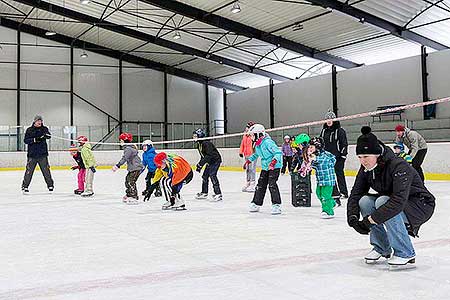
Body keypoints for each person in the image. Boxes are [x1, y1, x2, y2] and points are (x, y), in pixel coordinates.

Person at [347, 126, 435, 267]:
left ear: (377, 155)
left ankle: (405, 252)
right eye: (359, 157)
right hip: (393, 203)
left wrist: (369, 221)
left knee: (382, 201)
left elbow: (398, 201)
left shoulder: (398, 166)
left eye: (366, 156)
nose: (363, 161)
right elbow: (356, 193)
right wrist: (352, 218)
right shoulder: (367, 169)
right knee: (365, 201)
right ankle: (382, 247)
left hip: (420, 205)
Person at [243, 124, 283, 215]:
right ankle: (256, 203)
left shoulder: (268, 142)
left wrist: (273, 162)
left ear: (258, 134)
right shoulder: (257, 144)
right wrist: (249, 160)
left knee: (272, 185)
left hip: (274, 166)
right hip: (265, 167)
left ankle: (276, 205)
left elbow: (278, 152)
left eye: (253, 135)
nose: (251, 137)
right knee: (260, 185)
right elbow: (256, 154)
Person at [320, 110, 348, 204]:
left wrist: (343, 155)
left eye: (331, 119)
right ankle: (334, 193)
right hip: (327, 158)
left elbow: (344, 143)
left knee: (339, 173)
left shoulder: (340, 131)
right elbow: (320, 143)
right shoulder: (324, 131)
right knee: (330, 175)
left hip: (338, 157)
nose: (329, 121)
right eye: (327, 119)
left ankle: (344, 192)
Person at [22, 115, 54, 194]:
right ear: (34, 121)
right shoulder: (29, 130)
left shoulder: (44, 129)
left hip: (42, 154)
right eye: (38, 121)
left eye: (41, 121)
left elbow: (49, 136)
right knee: (29, 171)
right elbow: (26, 140)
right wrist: (34, 140)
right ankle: (25, 186)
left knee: (46, 171)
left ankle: (50, 185)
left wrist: (47, 135)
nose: (40, 122)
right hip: (32, 155)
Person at [308, 137, 337, 219]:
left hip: (328, 180)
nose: (310, 148)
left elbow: (324, 161)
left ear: (318, 147)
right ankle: (332, 203)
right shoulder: (316, 156)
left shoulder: (325, 155)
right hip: (320, 180)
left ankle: (328, 212)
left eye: (311, 147)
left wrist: (314, 158)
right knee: (318, 193)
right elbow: (315, 165)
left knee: (325, 195)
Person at [112, 132, 143, 204]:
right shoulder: (129, 147)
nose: (120, 142)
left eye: (121, 140)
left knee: (130, 181)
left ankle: (133, 196)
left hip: (136, 167)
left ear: (125, 140)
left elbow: (125, 158)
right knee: (127, 180)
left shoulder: (128, 149)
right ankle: (129, 194)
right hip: (133, 167)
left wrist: (118, 165)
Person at [193, 128, 223, 202]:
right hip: (210, 162)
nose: (194, 138)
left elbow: (208, 156)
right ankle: (204, 192)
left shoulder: (206, 143)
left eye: (195, 136)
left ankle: (218, 193)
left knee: (212, 175)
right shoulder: (199, 144)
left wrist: (201, 164)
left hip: (215, 161)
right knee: (205, 176)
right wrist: (199, 165)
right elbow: (203, 156)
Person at [239, 121, 256, 192]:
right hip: (246, 154)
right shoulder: (245, 135)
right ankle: (248, 182)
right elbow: (242, 144)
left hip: (252, 154)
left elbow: (255, 144)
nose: (246, 129)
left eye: (248, 127)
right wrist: (241, 151)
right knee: (248, 169)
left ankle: (253, 183)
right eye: (247, 127)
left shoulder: (253, 136)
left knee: (252, 169)